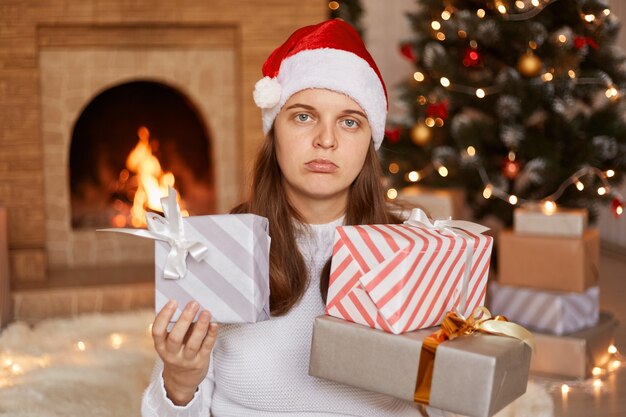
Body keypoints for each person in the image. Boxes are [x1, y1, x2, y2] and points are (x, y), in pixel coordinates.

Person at [141, 19, 457, 417]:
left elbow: (441, 401)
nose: (326, 140)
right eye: (304, 117)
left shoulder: (415, 246)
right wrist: (180, 381)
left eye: (349, 121)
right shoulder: (217, 247)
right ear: (275, 135)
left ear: (369, 143)